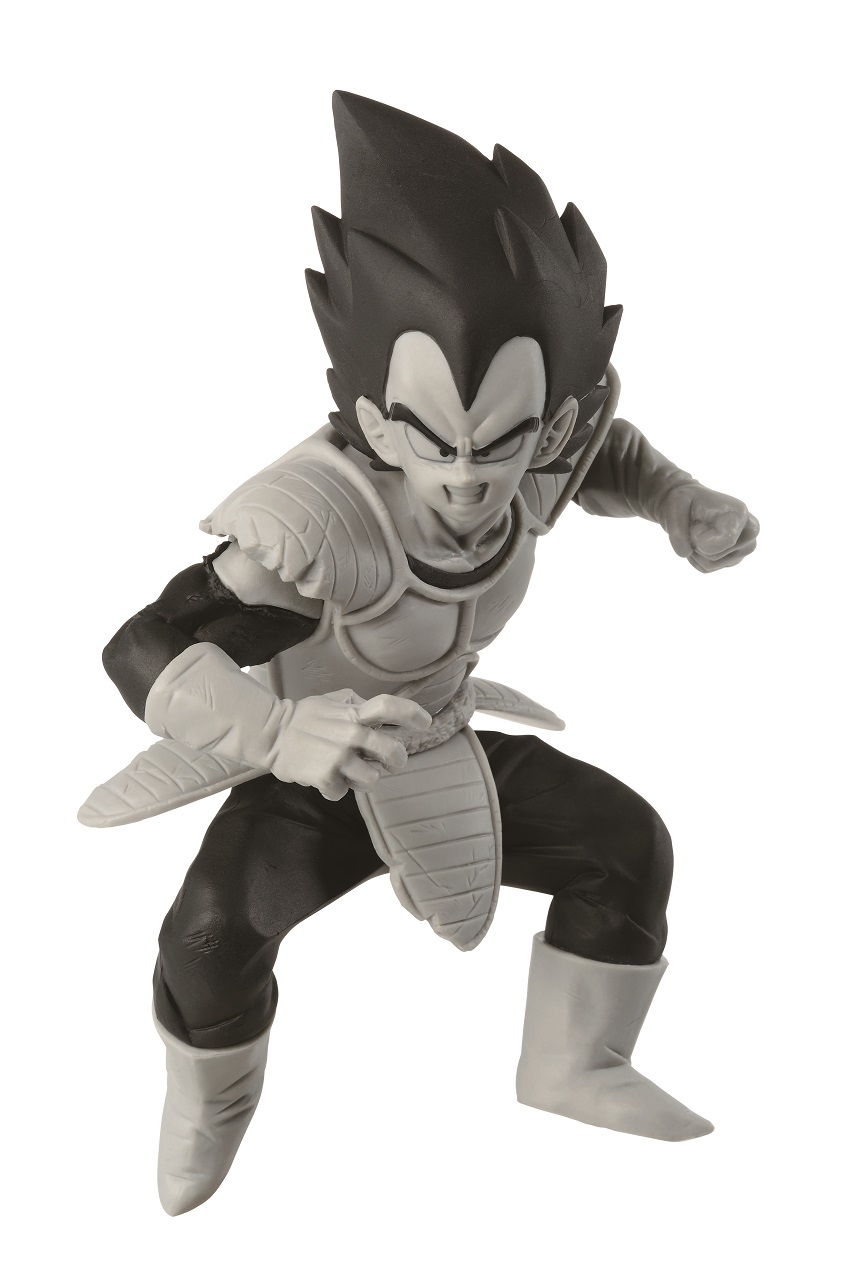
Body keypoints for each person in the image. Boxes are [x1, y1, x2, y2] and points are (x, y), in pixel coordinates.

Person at [81, 92, 759, 1215]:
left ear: (543, 427)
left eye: (499, 445)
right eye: (434, 444)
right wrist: (276, 731)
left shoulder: (540, 455)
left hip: (439, 739)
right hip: (307, 774)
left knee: (626, 844)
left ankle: (573, 1062)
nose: (467, 479)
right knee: (206, 938)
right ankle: (210, 1106)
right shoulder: (315, 528)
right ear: (377, 421)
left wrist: (677, 500)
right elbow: (139, 646)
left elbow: (604, 456)